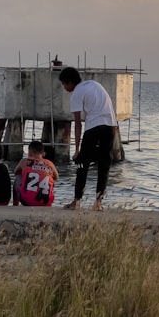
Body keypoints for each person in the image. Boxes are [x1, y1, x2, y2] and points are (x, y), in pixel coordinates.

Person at [59, 67, 118, 210]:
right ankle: (98, 203)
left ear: (69, 83)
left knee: (81, 164)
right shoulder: (94, 84)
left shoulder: (76, 93)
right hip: (111, 126)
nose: (64, 87)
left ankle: (76, 201)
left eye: (64, 84)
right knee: (104, 164)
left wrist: (77, 149)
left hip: (94, 127)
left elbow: (78, 124)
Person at [13, 140, 58, 207]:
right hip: (47, 203)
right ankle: (47, 197)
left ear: (30, 152)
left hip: (27, 202)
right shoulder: (50, 163)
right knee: (51, 178)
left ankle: (15, 205)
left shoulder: (24, 161)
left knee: (18, 178)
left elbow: (15, 172)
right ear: (43, 153)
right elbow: (56, 177)